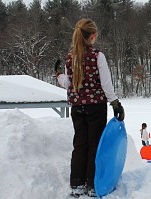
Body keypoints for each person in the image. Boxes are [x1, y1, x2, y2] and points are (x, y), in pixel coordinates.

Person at [55, 18, 125, 198]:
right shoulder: (97, 56)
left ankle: (77, 184)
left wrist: (58, 75)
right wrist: (115, 103)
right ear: (92, 36)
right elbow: (106, 84)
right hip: (95, 107)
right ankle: (93, 184)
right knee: (95, 144)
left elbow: (68, 83)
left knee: (80, 144)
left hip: (77, 107)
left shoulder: (70, 58)